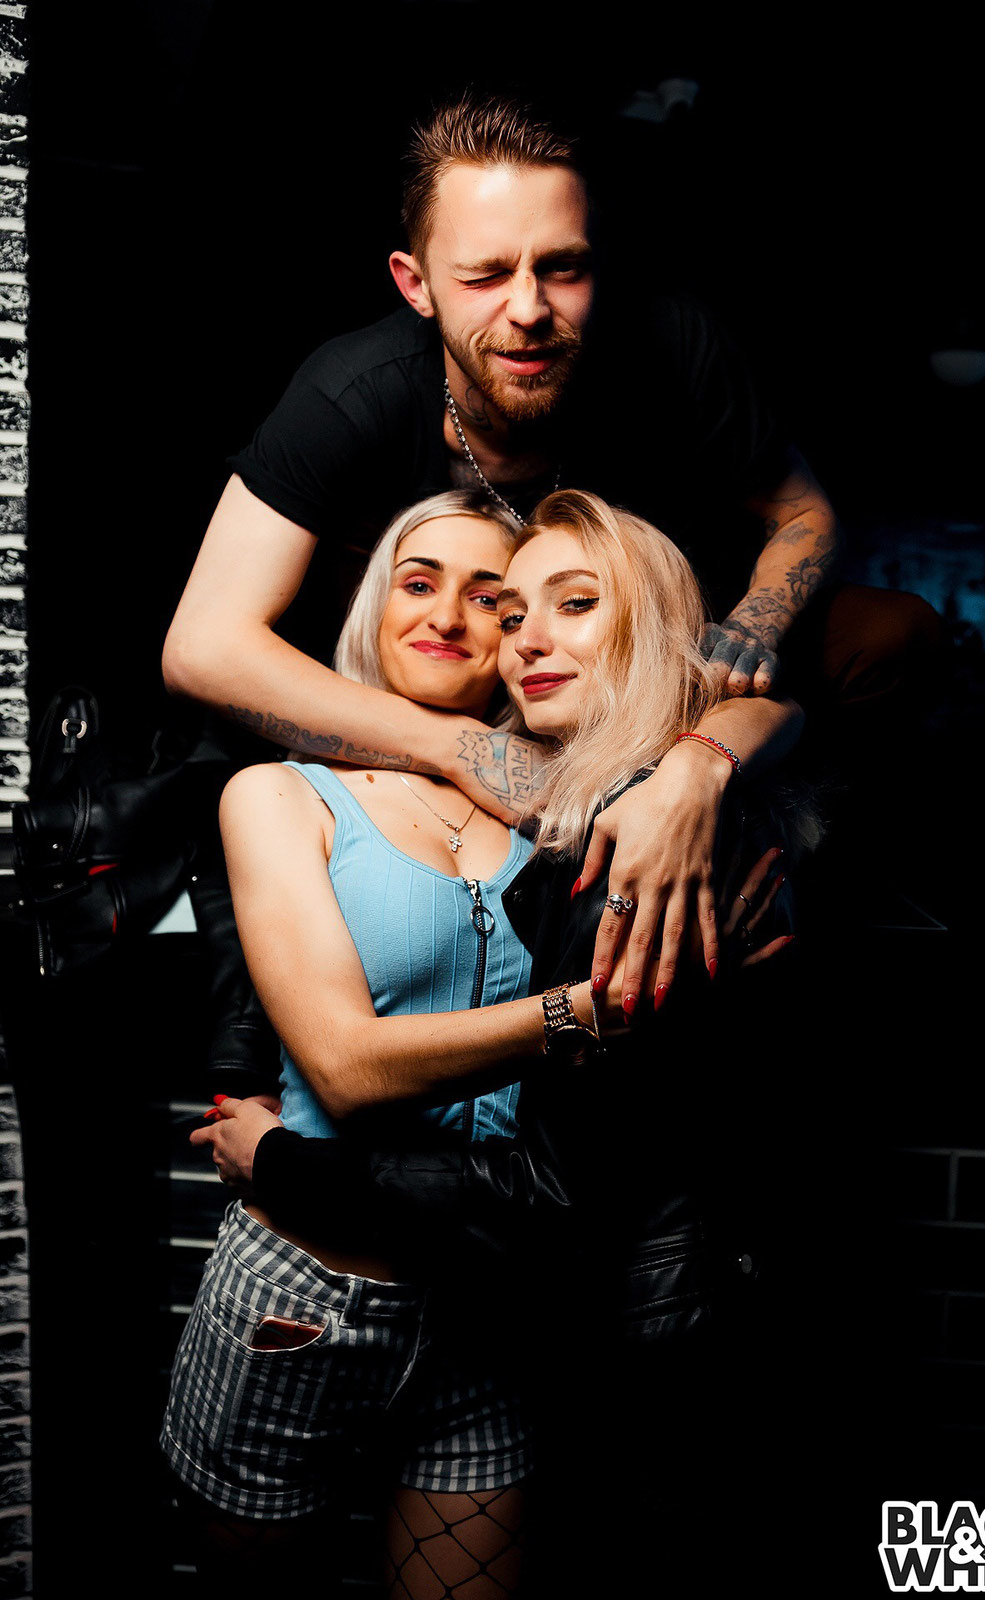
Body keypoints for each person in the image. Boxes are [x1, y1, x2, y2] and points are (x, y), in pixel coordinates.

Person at [162, 89, 931, 1015]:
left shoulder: (670, 341)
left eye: (562, 268)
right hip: (462, 676)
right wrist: (463, 750)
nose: (528, 309)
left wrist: (744, 647)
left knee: (888, 633)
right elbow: (202, 645)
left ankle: (792, 901)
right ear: (415, 283)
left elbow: (804, 514)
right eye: (485, 275)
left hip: (644, 656)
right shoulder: (351, 393)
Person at [185, 488, 810, 1596]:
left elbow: (780, 710)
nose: (463, 619)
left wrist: (704, 759)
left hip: (495, 1305)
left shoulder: (571, 802)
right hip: (311, 1287)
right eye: (419, 582)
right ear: (374, 606)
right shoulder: (284, 792)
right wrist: (594, 1013)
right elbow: (338, 1061)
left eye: (493, 599)